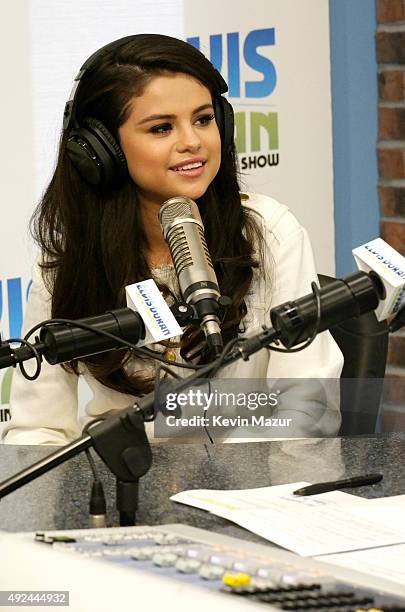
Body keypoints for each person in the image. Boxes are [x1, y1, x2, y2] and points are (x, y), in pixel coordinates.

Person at [2, 34, 343, 446]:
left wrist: (223, 488)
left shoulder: (270, 232)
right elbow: (38, 428)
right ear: (99, 150)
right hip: (122, 488)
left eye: (203, 119)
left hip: (247, 487)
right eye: (162, 127)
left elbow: (307, 411)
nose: (192, 142)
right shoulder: (73, 257)